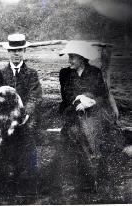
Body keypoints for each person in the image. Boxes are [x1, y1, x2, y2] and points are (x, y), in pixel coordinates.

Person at [59, 40, 123, 203]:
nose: (70, 60)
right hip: (72, 113)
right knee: (77, 133)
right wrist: (78, 101)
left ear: (82, 58)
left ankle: (101, 179)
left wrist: (89, 100)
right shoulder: (65, 74)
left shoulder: (94, 72)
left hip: (94, 113)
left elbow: (102, 95)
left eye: (72, 57)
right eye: (69, 56)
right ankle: (87, 181)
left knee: (99, 133)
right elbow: (66, 97)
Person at [0, 33, 42, 195]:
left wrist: (25, 114)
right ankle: (3, 182)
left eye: (19, 50)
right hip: (6, 118)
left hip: (27, 118)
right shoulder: (1, 73)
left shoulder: (32, 73)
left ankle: (28, 184)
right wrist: (5, 117)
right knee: (0, 140)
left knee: (27, 138)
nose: (16, 54)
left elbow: (35, 97)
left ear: (24, 51)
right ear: (8, 52)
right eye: (13, 51)